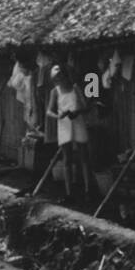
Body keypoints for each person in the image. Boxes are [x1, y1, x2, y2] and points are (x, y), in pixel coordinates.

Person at [45, 65, 95, 200]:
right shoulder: (55, 92)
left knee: (84, 156)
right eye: (56, 77)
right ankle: (69, 192)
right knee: (67, 158)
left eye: (61, 76)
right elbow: (49, 111)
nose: (59, 79)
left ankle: (88, 189)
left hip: (77, 120)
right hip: (64, 124)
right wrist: (58, 116)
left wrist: (77, 111)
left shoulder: (75, 88)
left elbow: (86, 106)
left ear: (65, 75)